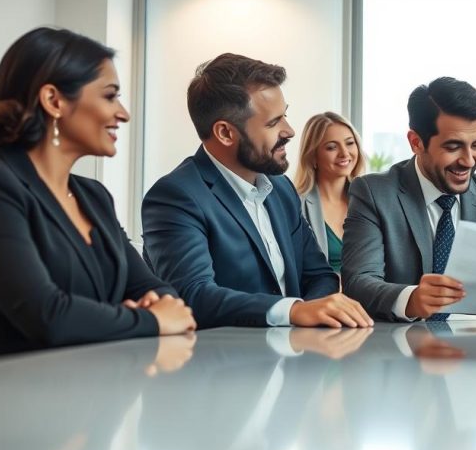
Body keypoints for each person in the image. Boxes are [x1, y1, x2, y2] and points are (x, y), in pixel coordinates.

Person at [0, 27, 195, 359]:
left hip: (88, 390)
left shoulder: (94, 196)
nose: (123, 113)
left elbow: (151, 287)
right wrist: (148, 319)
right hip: (5, 397)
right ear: (54, 100)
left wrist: (157, 305)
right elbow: (47, 316)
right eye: (110, 95)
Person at [142, 53, 371, 330]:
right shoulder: (175, 197)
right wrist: (294, 311)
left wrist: (310, 321)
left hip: (296, 359)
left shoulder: (282, 189)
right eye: (274, 123)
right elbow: (194, 295)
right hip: (220, 364)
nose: (289, 130)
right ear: (226, 133)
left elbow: (320, 275)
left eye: (285, 115)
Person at [341, 76, 476, 322]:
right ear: (416, 143)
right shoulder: (374, 193)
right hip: (398, 351)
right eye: (453, 147)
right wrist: (411, 299)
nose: (469, 160)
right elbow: (358, 281)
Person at [293, 111, 366, 273]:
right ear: (313, 156)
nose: (345, 153)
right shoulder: (296, 205)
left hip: (370, 295)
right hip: (324, 296)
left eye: (349, 143)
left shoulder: (370, 200)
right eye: (331, 147)